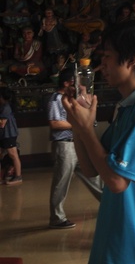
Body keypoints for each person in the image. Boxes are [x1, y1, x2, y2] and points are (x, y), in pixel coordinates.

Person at [61, 20, 135, 263]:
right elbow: (91, 168)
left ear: (131, 60)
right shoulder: (129, 106)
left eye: (108, 56)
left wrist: (86, 129)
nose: (102, 64)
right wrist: (78, 125)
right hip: (119, 230)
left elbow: (117, 181)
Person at [48, 68, 102, 229]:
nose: (79, 85)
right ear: (66, 83)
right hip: (64, 145)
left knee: (94, 177)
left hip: (77, 143)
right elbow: (55, 123)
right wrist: (78, 124)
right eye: (76, 82)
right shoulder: (56, 99)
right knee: (61, 182)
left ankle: (109, 204)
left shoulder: (75, 99)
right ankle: (57, 218)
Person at [0, 87, 22, 185]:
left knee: (13, 154)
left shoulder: (6, 107)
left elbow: (2, 123)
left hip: (9, 134)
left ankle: (18, 176)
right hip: (4, 134)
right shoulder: (3, 106)